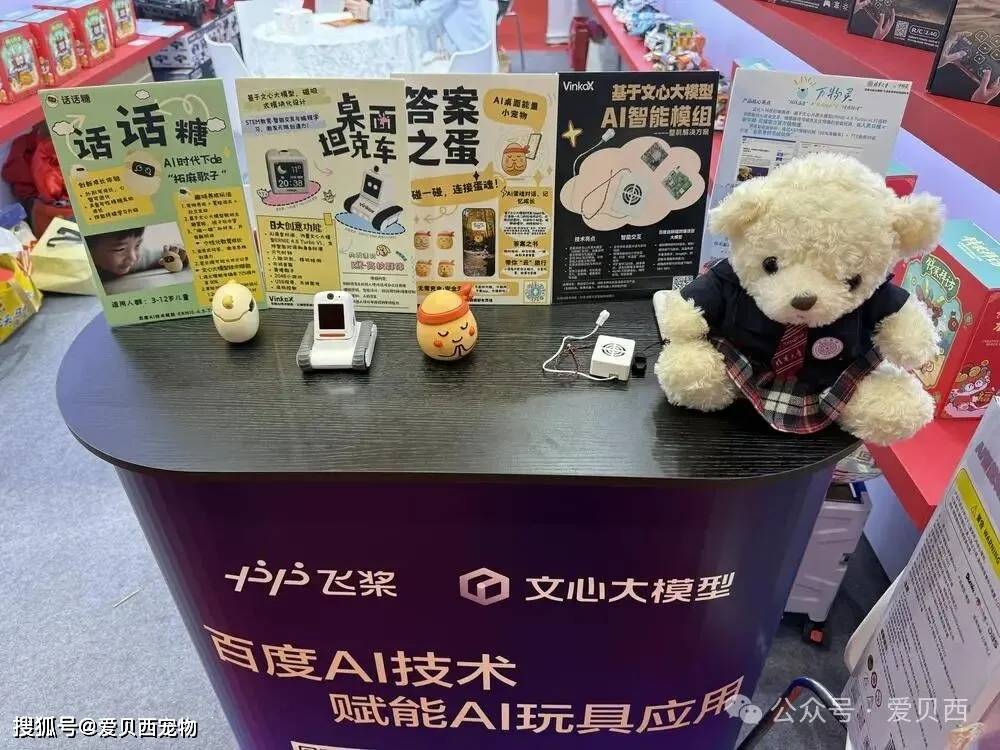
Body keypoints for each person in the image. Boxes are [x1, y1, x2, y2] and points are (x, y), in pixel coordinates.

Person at [344, 0, 490, 55]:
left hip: (467, 56)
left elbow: (423, 16)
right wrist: (377, 10)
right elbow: (402, 5)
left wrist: (372, 12)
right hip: (449, 50)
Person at [87, 226, 186, 281]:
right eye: (120, 249)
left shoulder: (137, 260)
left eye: (137, 245)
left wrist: (176, 254)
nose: (133, 257)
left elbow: (163, 256)